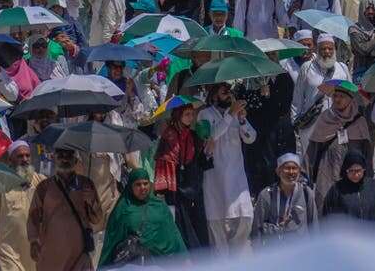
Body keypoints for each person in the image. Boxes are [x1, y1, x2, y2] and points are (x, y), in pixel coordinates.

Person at [199, 82, 256, 253]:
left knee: (245, 218)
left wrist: (242, 119)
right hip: (215, 179)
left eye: (230, 92)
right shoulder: (204, 114)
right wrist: (231, 114)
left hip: (237, 179)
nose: (229, 96)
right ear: (214, 95)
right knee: (218, 233)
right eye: (225, 92)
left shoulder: (236, 116)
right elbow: (212, 135)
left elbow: (251, 138)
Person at [26, 147, 102, 271]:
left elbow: (97, 219)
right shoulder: (44, 187)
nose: (65, 158)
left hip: (79, 254)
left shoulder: (86, 185)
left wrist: (91, 200)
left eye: (69, 155)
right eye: (60, 155)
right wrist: (33, 241)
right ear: (53, 158)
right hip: (52, 255)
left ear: (76, 160)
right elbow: (33, 217)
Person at [98, 168, 186, 266]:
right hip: (137, 263)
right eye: (138, 184)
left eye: (145, 183)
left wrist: (185, 257)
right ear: (130, 186)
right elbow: (112, 240)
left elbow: (174, 232)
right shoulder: (123, 209)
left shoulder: (159, 205)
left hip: (166, 262)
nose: (142, 187)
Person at [306, 80, 371, 200]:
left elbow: (367, 153)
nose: (337, 99)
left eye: (342, 96)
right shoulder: (325, 118)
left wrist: (368, 179)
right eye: (335, 96)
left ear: (350, 100)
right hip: (327, 171)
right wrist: (305, 176)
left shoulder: (360, 122)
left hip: (353, 174)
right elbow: (312, 150)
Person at [0, 142, 44, 271]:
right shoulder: (0, 184)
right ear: (10, 160)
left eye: (27, 156)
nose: (25, 159)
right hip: (9, 248)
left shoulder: (41, 182)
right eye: (20, 156)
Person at [251, 153, 317, 243]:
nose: (291, 172)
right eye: (287, 168)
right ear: (278, 172)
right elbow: (256, 229)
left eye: (294, 168)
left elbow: (314, 225)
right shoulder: (267, 195)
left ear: (299, 171)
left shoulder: (306, 193)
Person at [319, 150, 375, 225]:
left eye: (358, 170)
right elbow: (327, 218)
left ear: (364, 170)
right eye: (351, 171)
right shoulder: (336, 190)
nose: (356, 175)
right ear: (345, 170)